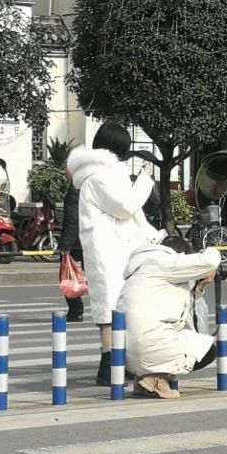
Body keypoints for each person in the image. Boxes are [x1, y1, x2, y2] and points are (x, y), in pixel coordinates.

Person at [67, 122, 165, 386]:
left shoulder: (108, 175)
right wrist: (144, 180)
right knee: (110, 306)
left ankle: (119, 361)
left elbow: (131, 212)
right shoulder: (98, 178)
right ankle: (108, 364)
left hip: (118, 249)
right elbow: (126, 206)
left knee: (121, 305)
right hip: (107, 251)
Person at [116, 237, 221, 399]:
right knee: (209, 351)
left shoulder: (142, 269)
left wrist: (198, 288)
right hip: (149, 347)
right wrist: (212, 250)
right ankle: (156, 379)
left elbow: (185, 317)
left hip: (125, 355)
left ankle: (143, 380)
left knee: (188, 341)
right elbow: (210, 261)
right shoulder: (165, 262)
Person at [59, 174, 84, 322]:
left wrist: (66, 244)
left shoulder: (75, 190)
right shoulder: (88, 186)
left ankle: (75, 311)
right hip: (87, 239)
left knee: (68, 277)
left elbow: (72, 219)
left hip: (76, 243)